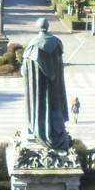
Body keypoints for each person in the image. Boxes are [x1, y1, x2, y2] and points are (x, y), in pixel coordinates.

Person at [21, 18, 72, 150]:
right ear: (48, 26)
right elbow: (59, 62)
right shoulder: (56, 43)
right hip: (54, 85)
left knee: (40, 104)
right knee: (55, 104)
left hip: (39, 87)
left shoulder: (34, 45)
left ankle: (40, 128)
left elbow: (26, 68)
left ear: (38, 27)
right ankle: (55, 129)